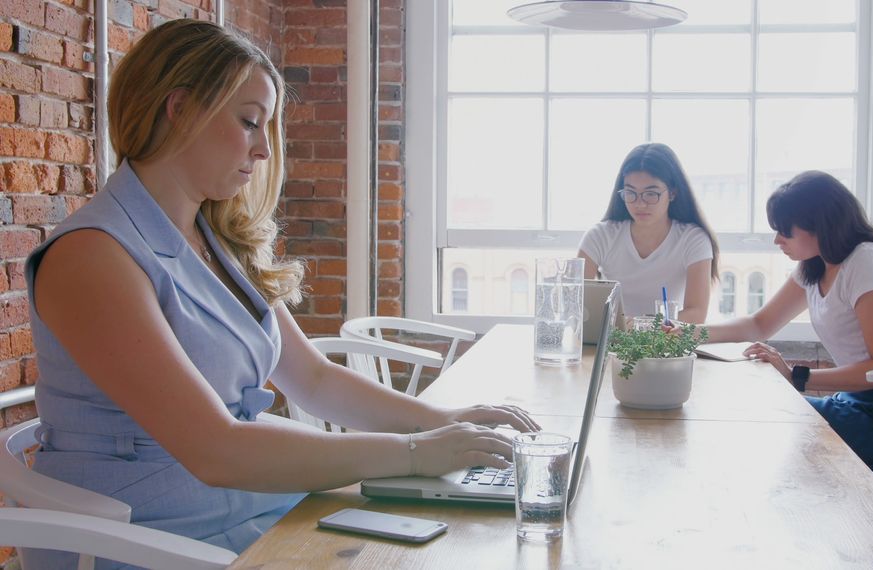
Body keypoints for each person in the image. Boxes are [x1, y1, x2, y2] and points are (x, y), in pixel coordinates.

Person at [24, 19, 538, 567]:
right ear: (178, 109)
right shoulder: (91, 257)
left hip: (243, 509)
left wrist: (450, 421)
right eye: (249, 123)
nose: (264, 150)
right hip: (144, 538)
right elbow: (216, 450)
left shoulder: (216, 239)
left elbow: (313, 379)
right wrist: (414, 453)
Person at [697, 170, 873, 480]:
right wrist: (691, 334)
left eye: (785, 231)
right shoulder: (817, 265)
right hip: (864, 404)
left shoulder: (869, 262)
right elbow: (759, 324)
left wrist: (797, 376)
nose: (777, 240)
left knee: (770, 421)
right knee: (764, 419)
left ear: (820, 225)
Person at [577, 143, 719, 323]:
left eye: (651, 194)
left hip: (666, 344)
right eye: (631, 193)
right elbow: (575, 303)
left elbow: (696, 314)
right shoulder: (600, 236)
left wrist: (637, 326)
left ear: (672, 193)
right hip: (612, 344)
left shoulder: (693, 239)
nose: (640, 204)